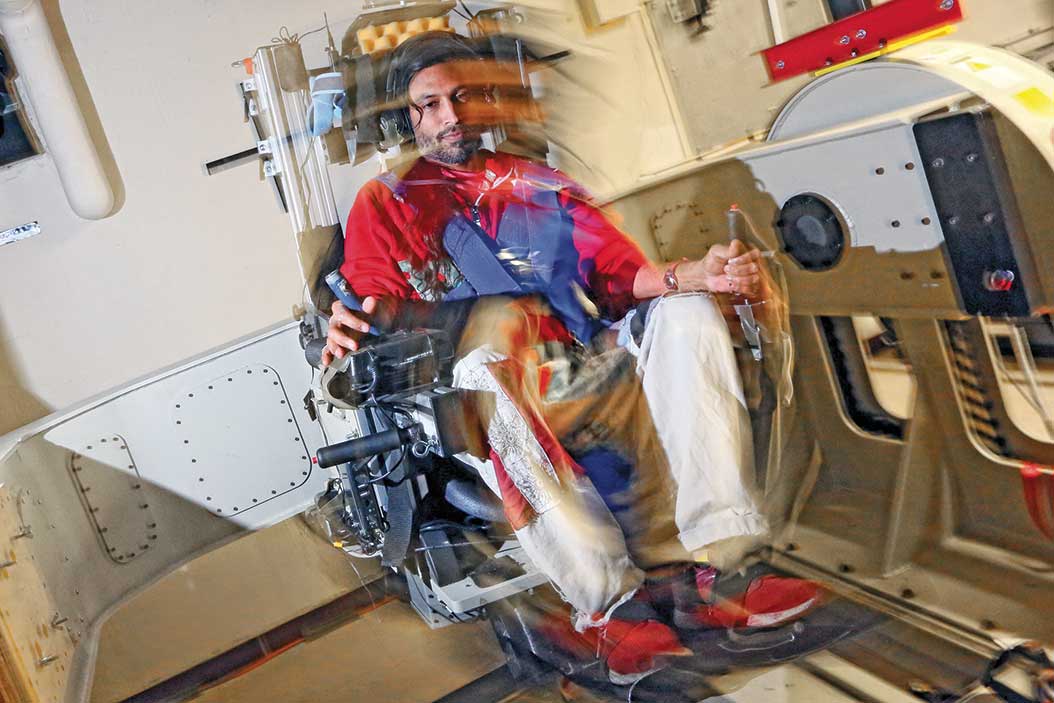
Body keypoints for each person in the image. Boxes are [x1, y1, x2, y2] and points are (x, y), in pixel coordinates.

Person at [323, 31, 822, 683]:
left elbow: (620, 275)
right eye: (430, 103)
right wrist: (353, 324)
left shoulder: (537, 183)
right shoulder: (385, 204)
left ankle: (721, 564)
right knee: (481, 370)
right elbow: (375, 310)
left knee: (684, 311)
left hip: (574, 364)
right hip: (473, 386)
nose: (451, 116)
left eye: (464, 96)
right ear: (408, 117)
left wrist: (695, 274)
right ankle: (605, 606)